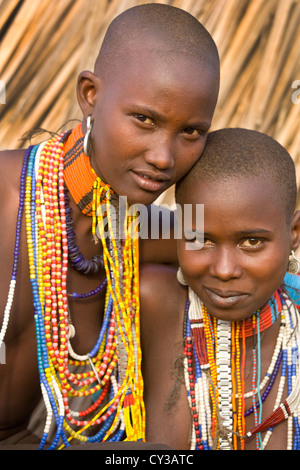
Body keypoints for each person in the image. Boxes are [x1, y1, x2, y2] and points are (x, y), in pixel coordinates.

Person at [0, 4, 219, 449]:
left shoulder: (134, 228)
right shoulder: (7, 205)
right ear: (90, 95)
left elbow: (222, 238)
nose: (164, 157)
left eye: (191, 132)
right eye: (145, 119)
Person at [140, 128, 300, 450]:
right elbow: (94, 231)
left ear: (294, 232)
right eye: (201, 239)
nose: (225, 270)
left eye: (252, 242)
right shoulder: (156, 302)